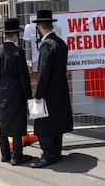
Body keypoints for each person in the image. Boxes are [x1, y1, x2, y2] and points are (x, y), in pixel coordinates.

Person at [30, 10, 73, 168]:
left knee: (44, 126)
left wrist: (38, 94)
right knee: (57, 124)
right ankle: (57, 153)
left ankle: (48, 155)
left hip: (49, 92)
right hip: (61, 90)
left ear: (40, 26)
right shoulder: (60, 42)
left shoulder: (47, 45)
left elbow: (44, 73)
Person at [0, 18, 33, 166]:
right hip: (17, 90)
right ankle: (17, 155)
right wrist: (29, 96)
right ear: (16, 34)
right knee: (17, 122)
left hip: (2, 91)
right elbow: (24, 76)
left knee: (3, 122)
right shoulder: (18, 52)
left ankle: (5, 154)